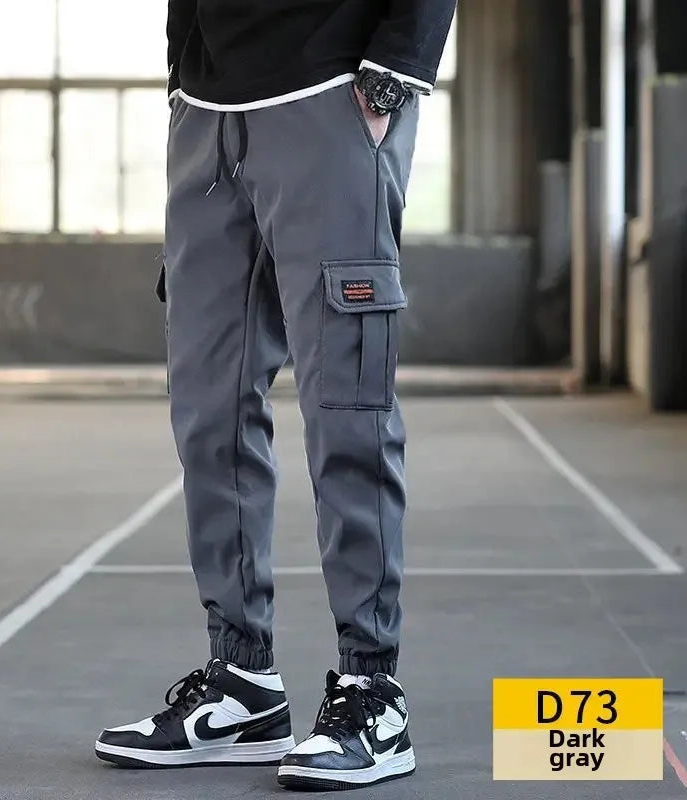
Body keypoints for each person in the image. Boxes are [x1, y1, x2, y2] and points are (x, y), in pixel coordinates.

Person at [96, 0, 456, 790]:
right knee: (208, 410)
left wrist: (396, 70)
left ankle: (372, 692)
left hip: (329, 94)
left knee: (348, 411)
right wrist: (181, 75)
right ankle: (243, 682)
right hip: (208, 114)